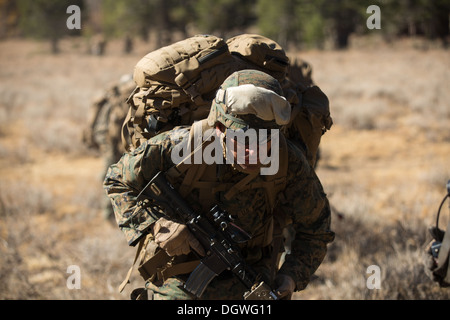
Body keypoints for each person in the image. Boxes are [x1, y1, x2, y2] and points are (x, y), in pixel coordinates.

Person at [103, 70, 335, 300]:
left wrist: (291, 276)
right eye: (243, 139)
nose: (252, 152)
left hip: (253, 278)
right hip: (178, 275)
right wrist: (157, 225)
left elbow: (316, 228)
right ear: (219, 129)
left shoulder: (287, 160)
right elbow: (117, 180)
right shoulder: (183, 145)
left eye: (264, 140)